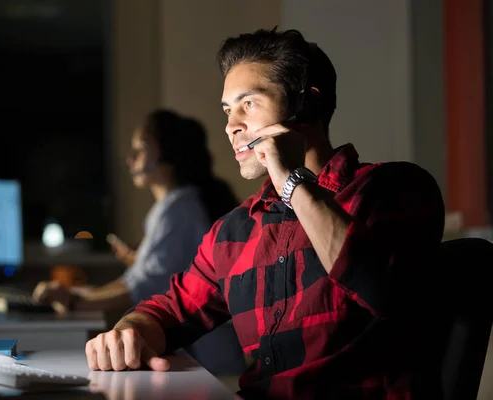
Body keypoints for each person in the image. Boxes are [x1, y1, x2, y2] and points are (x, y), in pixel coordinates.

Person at [84, 28, 446, 399]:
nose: (230, 125)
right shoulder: (234, 231)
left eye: (249, 104)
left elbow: (385, 291)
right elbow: (171, 309)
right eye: (228, 110)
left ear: (308, 105)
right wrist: (129, 330)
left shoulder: (393, 189)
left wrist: (292, 183)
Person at [33, 109, 240, 313]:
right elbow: (132, 282)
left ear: (166, 155)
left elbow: (145, 289)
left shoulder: (178, 210)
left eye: (139, 150)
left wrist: (76, 303)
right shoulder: (176, 206)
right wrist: (77, 295)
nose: (130, 159)